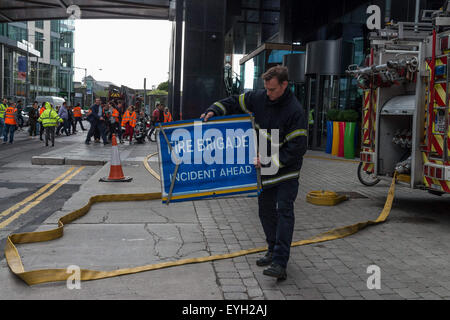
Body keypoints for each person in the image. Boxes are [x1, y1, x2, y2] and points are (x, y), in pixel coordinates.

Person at [201, 65, 307, 280]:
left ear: (284, 85)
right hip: (266, 171)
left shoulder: (295, 111)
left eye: (273, 90)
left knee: (283, 212)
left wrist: (267, 161)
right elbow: (233, 101)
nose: (268, 94)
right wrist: (214, 110)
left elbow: (297, 149)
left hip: (286, 174)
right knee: (265, 212)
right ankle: (271, 249)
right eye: (266, 89)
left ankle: (280, 262)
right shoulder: (259, 98)